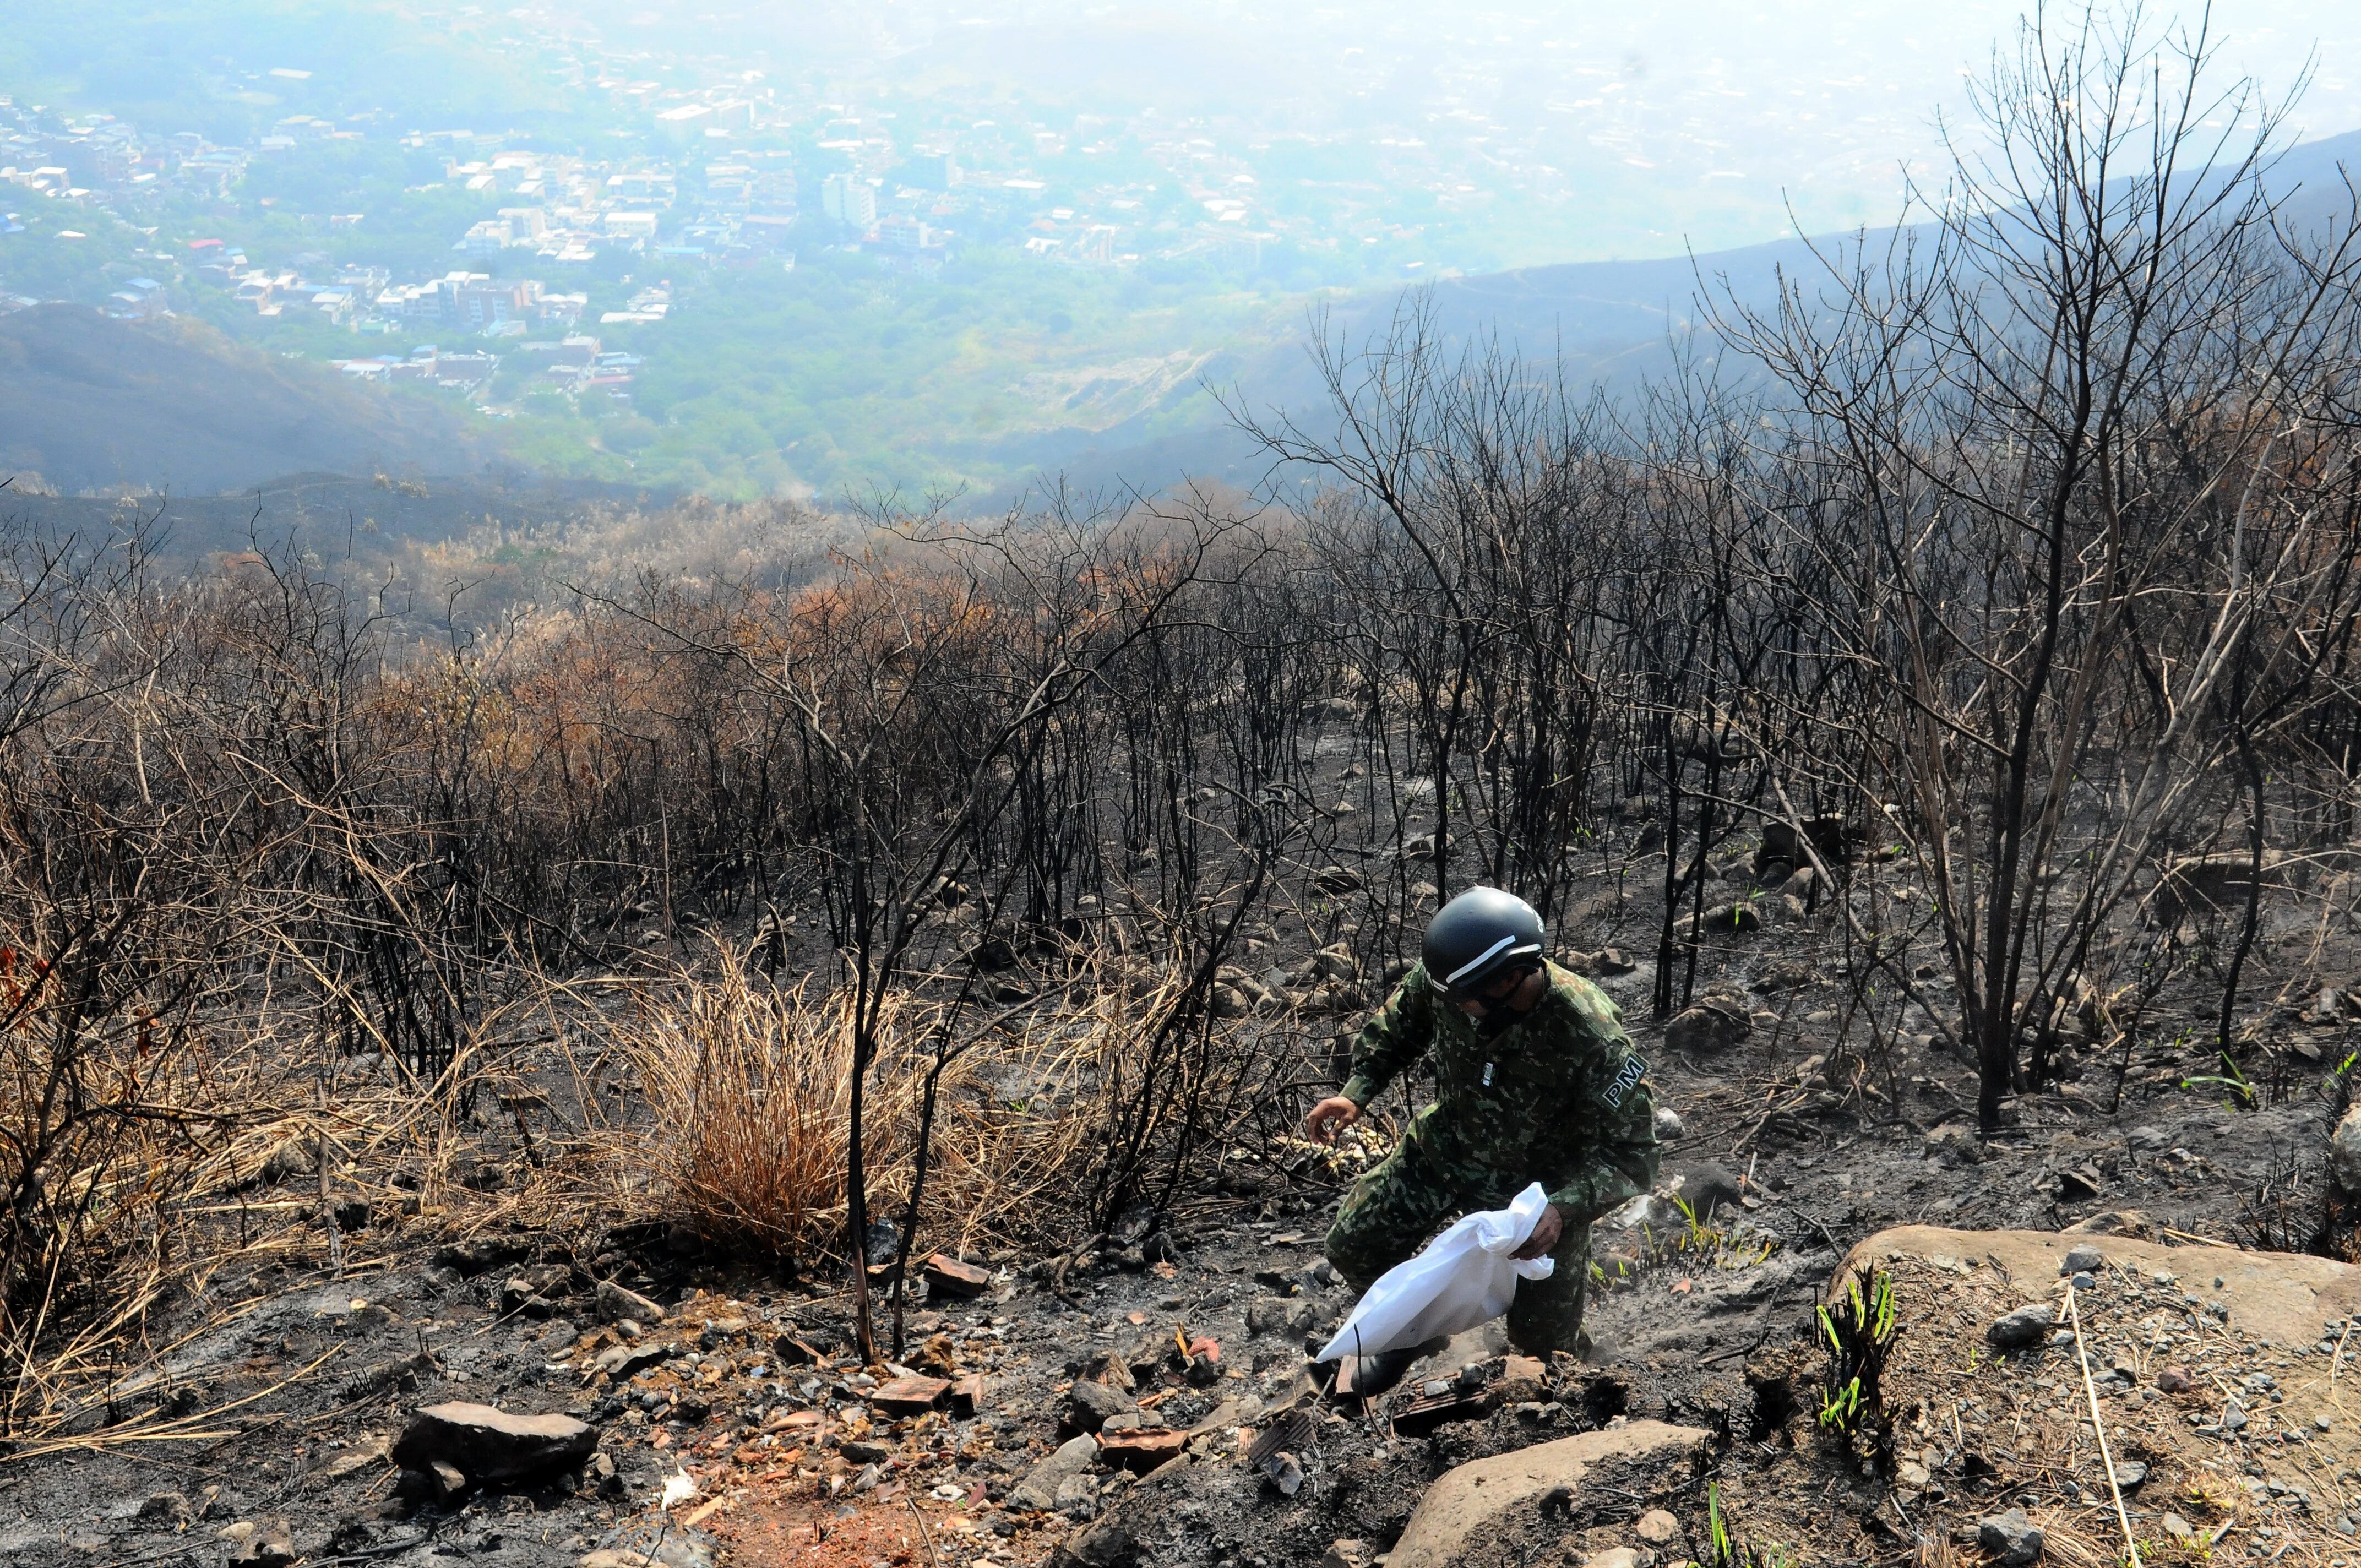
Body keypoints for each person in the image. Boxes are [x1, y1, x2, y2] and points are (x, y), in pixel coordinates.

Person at [1305, 886, 1658, 1367]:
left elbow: (1633, 1159)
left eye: (1468, 1001)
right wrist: (1357, 1091)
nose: (1457, 1008)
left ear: (1513, 977)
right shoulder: (1457, 982)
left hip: (1536, 1198)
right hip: (1446, 1150)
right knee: (1354, 1246)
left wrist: (1561, 1209)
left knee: (1544, 1350)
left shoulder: (1592, 1037)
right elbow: (1402, 1023)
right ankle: (1413, 1341)